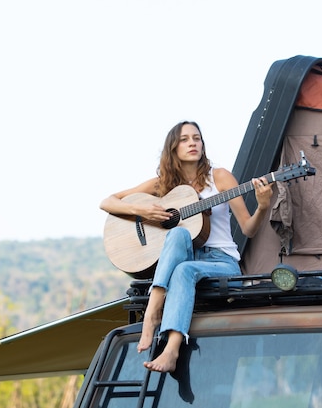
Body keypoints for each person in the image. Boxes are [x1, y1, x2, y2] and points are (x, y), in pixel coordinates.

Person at [99, 121, 273, 373]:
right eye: (185, 139)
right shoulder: (163, 184)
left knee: (183, 271)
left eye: (197, 138)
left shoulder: (220, 177)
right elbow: (108, 201)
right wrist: (140, 208)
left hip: (220, 262)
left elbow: (248, 228)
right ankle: (154, 309)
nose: (193, 143)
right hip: (183, 257)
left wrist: (264, 206)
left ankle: (170, 348)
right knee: (180, 234)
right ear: (173, 147)